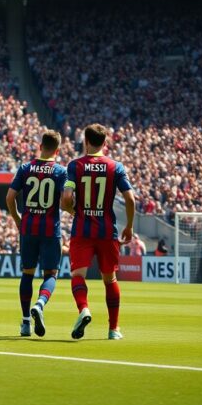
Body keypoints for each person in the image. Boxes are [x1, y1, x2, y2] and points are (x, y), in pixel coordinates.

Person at [60, 124, 135, 341]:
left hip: (82, 229)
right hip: (107, 231)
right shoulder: (115, 166)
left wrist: (73, 210)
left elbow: (66, 197)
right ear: (105, 143)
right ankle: (114, 329)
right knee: (110, 279)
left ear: (85, 141)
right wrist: (129, 226)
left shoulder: (75, 165)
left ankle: (84, 309)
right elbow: (130, 199)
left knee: (77, 275)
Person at [5, 130, 67, 337]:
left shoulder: (25, 168)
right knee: (51, 274)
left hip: (28, 228)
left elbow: (10, 197)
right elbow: (66, 200)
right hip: (50, 229)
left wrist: (17, 218)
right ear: (57, 150)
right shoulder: (60, 171)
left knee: (27, 273)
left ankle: (24, 323)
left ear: (40, 146)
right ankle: (40, 304)